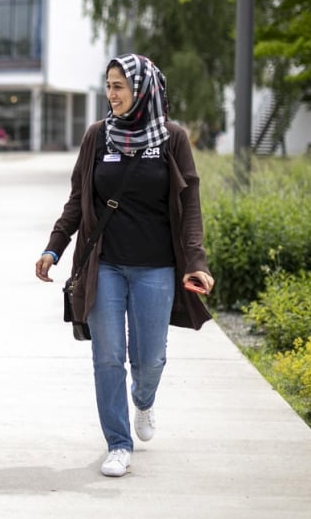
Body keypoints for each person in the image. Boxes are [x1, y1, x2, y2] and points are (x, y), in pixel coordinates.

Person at [34, 53, 214, 478]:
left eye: (120, 85)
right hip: (105, 266)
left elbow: (190, 208)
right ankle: (118, 442)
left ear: (143, 89)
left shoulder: (172, 138)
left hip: (156, 268)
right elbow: (78, 199)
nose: (112, 94)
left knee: (149, 360)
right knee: (108, 356)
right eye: (109, 85)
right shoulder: (97, 136)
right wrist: (54, 247)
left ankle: (145, 400)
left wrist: (196, 262)